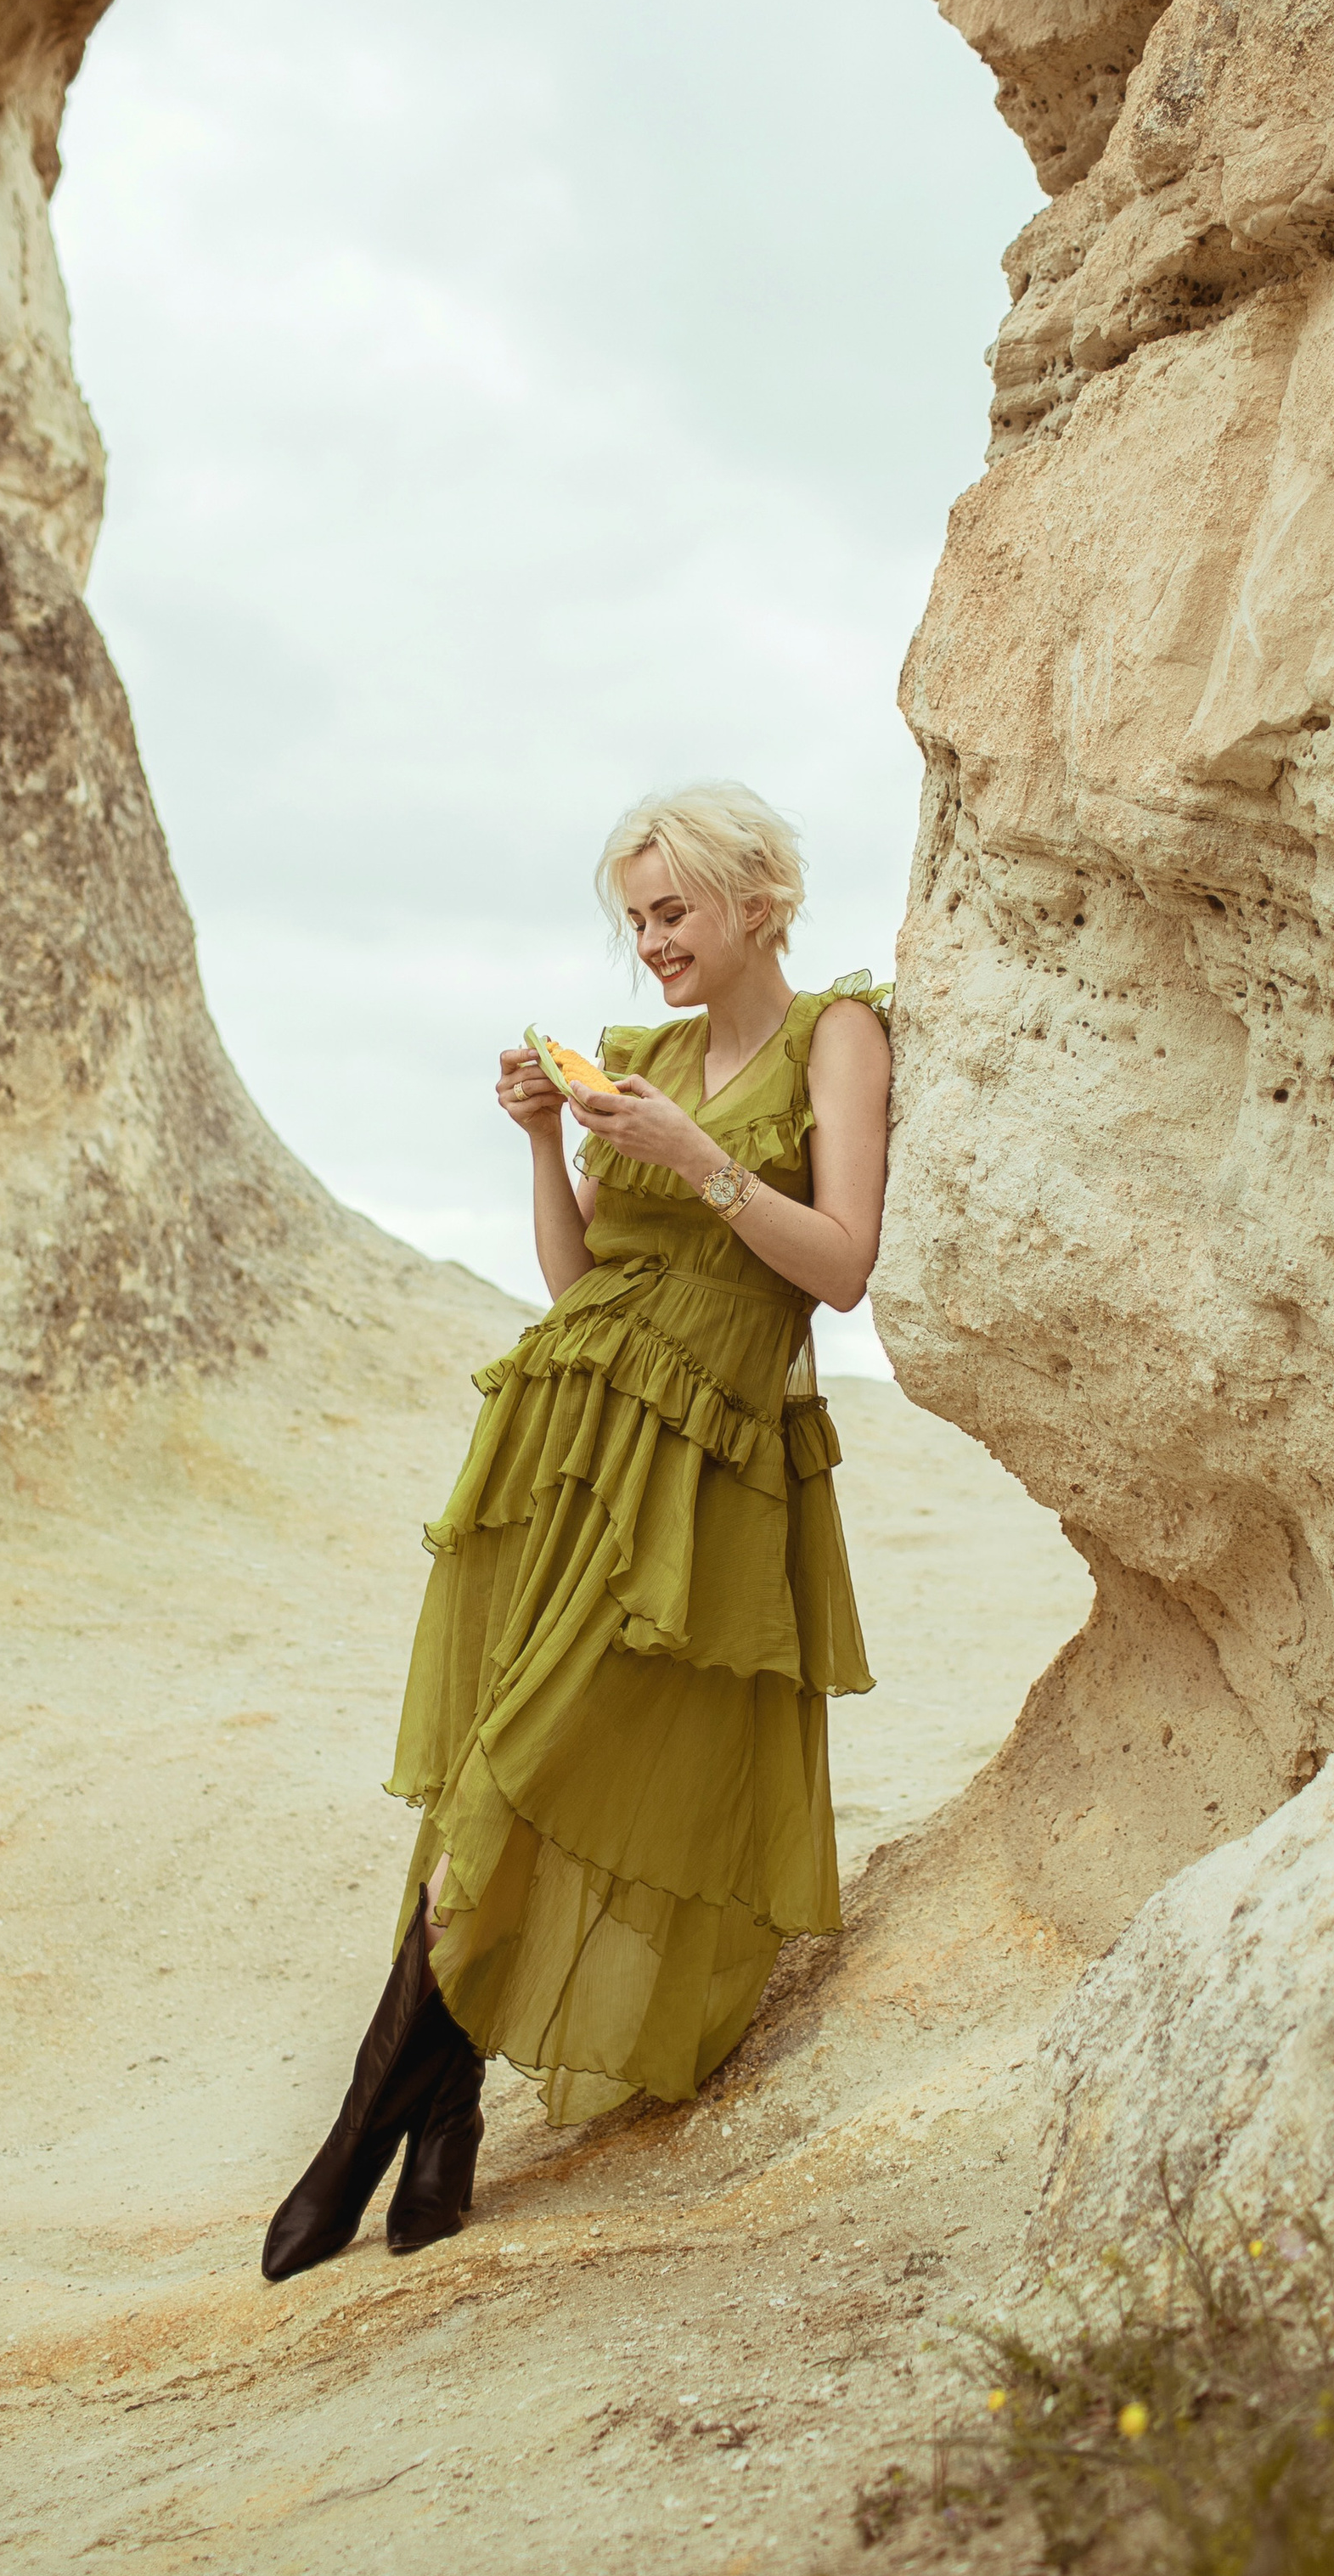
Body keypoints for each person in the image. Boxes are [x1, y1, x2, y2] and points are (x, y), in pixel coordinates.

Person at [262, 780, 892, 2277]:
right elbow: (579, 1277)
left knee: (536, 1761)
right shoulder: (646, 1057)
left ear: (757, 903)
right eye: (635, 920)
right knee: (494, 1761)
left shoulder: (838, 1035)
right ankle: (444, 2123)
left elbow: (846, 1267)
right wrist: (547, 1144)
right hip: (565, 1438)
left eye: (672, 912)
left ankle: (362, 2127)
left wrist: (699, 1160)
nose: (652, 943)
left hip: (706, 1465)